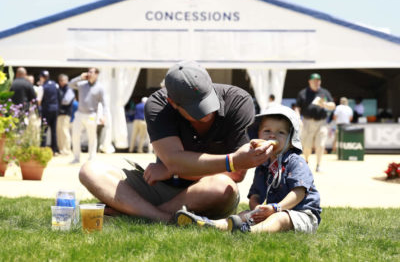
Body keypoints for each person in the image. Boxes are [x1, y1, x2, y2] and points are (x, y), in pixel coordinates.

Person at [78, 60, 273, 223]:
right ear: (172, 102)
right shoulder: (158, 104)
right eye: (196, 109)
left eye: (207, 102)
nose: (206, 114)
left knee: (224, 187)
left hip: (207, 190)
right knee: (90, 170)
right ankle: (163, 217)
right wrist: (175, 166)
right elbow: (175, 159)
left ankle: (139, 213)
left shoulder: (238, 101)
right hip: (161, 185)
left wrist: (174, 168)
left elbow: (237, 173)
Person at [175, 105, 321, 234]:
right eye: (267, 130)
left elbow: (299, 192)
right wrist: (257, 209)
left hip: (302, 214)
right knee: (246, 214)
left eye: (280, 132)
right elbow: (255, 195)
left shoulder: (296, 161)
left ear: (291, 141)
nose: (272, 135)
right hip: (274, 210)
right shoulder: (263, 165)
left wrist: (277, 208)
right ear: (258, 136)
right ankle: (211, 224)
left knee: (280, 218)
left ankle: (247, 231)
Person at [295, 73, 335, 172]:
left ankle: (318, 165)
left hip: (321, 122)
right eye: (314, 80)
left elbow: (333, 105)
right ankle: (306, 161)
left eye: (318, 80)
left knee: (321, 145)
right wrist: (298, 118)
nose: (316, 82)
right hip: (307, 122)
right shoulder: (303, 93)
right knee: (307, 146)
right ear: (310, 81)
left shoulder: (324, 92)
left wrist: (325, 105)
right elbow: (297, 107)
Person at [69, 67, 107, 163]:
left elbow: (104, 103)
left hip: (91, 115)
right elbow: (70, 84)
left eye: (91, 72)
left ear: (96, 74)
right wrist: (80, 77)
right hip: (79, 114)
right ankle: (76, 158)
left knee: (92, 137)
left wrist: (103, 115)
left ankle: (92, 157)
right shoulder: (82, 84)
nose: (89, 73)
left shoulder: (100, 88)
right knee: (75, 136)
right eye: (88, 71)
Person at [39, 70, 60, 154]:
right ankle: (54, 150)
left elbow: (39, 101)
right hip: (55, 109)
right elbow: (59, 97)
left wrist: (39, 111)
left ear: (42, 77)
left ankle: (42, 148)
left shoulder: (42, 87)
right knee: (54, 131)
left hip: (46, 110)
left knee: (44, 130)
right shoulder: (56, 85)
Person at [57, 74, 75, 155]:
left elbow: (66, 101)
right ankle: (61, 149)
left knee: (64, 131)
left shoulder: (69, 89)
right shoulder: (60, 89)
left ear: (67, 80)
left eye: (63, 80)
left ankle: (67, 149)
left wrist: (57, 101)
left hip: (66, 113)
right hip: (59, 113)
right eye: (60, 80)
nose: (61, 82)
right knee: (59, 131)